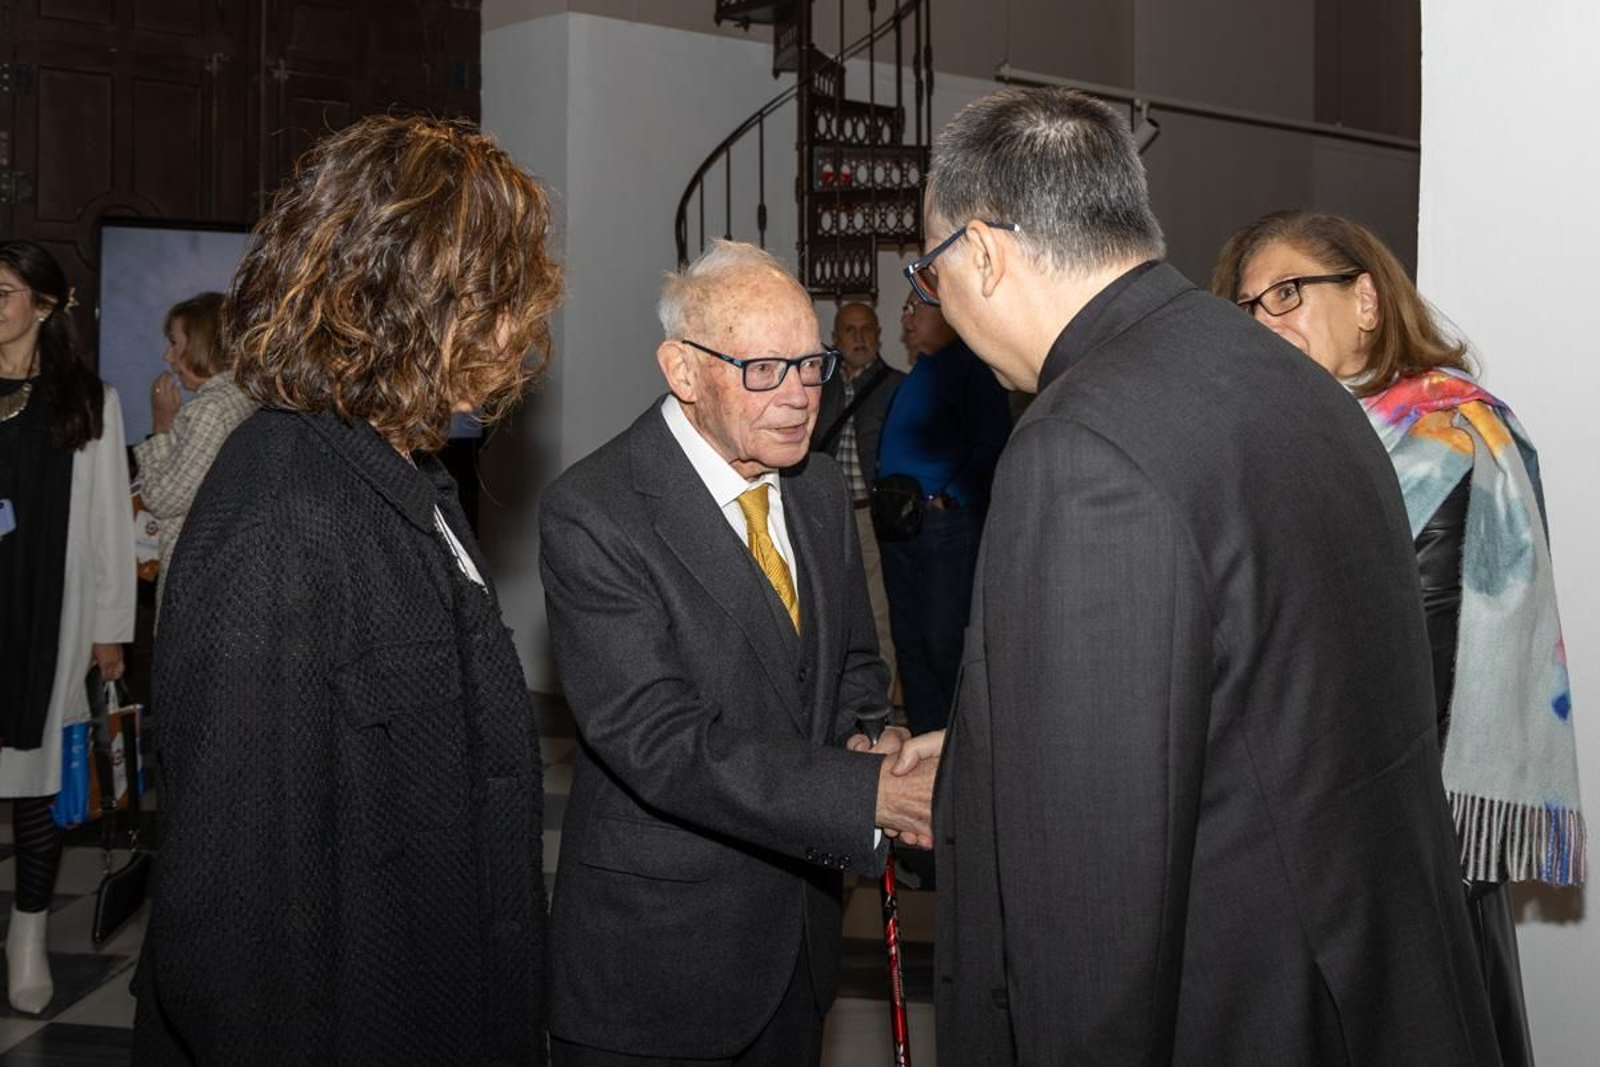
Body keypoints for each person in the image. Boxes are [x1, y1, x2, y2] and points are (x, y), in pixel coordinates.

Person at [904, 86, 1498, 1063]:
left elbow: (1091, 908)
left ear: (981, 253)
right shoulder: (1290, 376)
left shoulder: (1081, 445)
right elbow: (1253, 691)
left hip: (1239, 1010)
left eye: (930, 273)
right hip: (1368, 987)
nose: (937, 300)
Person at [131, 115, 562, 1065]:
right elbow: (234, 933)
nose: (516, 331)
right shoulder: (282, 509)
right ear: (405, 296)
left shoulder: (404, 477)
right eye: (495, 298)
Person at [539, 240, 936, 1066]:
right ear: (683, 371)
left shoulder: (819, 489)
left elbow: (855, 665)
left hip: (797, 943)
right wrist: (870, 795)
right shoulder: (598, 511)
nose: (800, 397)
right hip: (661, 969)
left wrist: (872, 737)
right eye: (764, 370)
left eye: (813, 364)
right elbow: (661, 741)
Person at [1213, 208, 1586, 1067]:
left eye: (1289, 293)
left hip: (1403, 847)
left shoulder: (1450, 441)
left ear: (1369, 301)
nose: (1266, 322)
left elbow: (1412, 664)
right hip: (1301, 831)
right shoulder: (1289, 441)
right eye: (1247, 308)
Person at [0, 240, 135, 1015]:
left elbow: (111, 526)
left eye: (6, 292)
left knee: (39, 784)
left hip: (48, 615)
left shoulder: (89, 399)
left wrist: (110, 628)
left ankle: (26, 936)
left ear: (45, 307)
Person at [874, 293, 1010, 736]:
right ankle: (926, 742)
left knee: (943, 643)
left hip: (942, 529)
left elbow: (992, 444)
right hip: (901, 526)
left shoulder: (972, 367)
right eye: (906, 307)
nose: (906, 317)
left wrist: (946, 498)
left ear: (950, 314)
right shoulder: (923, 370)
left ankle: (960, 748)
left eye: (917, 308)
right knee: (910, 644)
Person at [134, 291, 255, 614]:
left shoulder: (210, 410)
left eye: (175, 343)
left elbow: (162, 499)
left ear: (200, 344)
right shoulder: (244, 397)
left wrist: (161, 426)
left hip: (196, 581)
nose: (167, 357)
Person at [811, 301, 903, 686]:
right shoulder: (817, 387)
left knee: (878, 614)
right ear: (834, 339)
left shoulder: (898, 387)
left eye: (867, 329)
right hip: (824, 516)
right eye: (850, 330)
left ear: (880, 336)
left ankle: (878, 711)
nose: (859, 338)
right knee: (825, 613)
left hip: (870, 517)